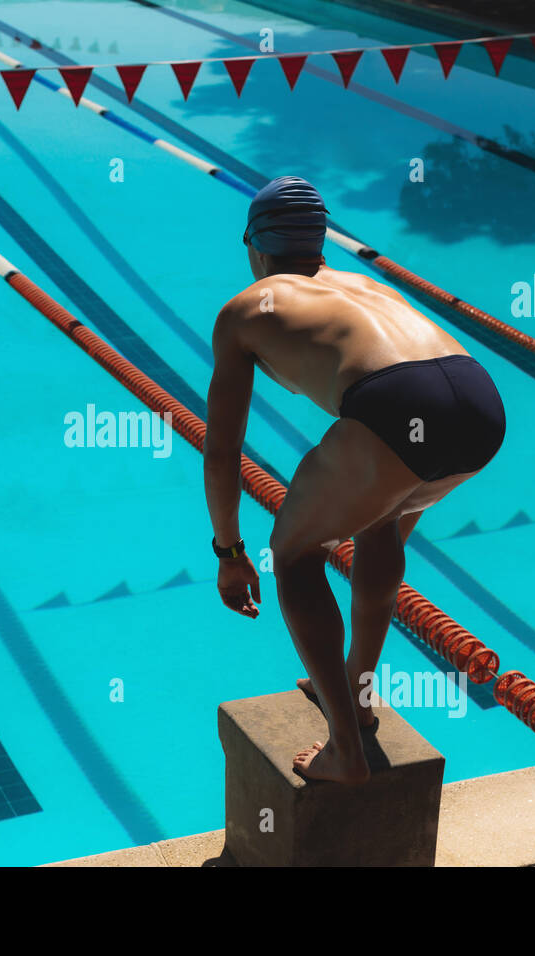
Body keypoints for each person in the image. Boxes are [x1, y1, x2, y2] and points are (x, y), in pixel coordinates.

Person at [204, 177, 505, 785]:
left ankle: (346, 752)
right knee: (382, 525)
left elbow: (223, 449)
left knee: (293, 554)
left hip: (397, 406)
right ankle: (359, 701)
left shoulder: (244, 309)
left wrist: (230, 552)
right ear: (319, 241)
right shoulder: (363, 282)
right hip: (480, 403)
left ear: (253, 245)